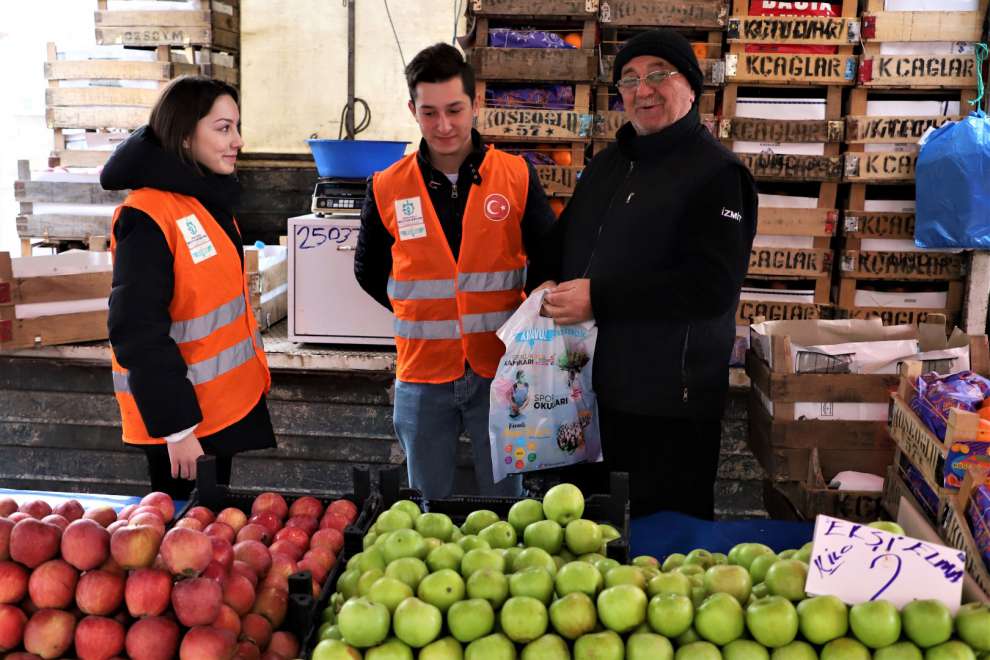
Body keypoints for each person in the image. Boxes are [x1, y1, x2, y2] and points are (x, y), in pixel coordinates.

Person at [543, 29, 758, 519]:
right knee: (586, 551)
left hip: (667, 410)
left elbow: (710, 286)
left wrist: (600, 298)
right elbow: (564, 244)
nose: (643, 89)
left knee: (662, 556)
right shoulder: (607, 166)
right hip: (589, 399)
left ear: (691, 87)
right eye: (630, 80)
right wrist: (545, 279)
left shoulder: (718, 175)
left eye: (659, 75)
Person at [355, 43, 558, 499]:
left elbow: (549, 260)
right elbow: (368, 270)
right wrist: (421, 310)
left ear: (475, 103)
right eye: (429, 113)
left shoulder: (516, 176)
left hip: (501, 370)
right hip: (421, 373)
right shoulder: (386, 185)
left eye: (454, 110)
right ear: (413, 109)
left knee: (508, 505)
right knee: (426, 507)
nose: (443, 126)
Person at [102, 76, 275, 499]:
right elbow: (136, 330)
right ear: (183, 137)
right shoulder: (146, 215)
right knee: (182, 542)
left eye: (236, 126)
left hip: (216, 412)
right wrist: (177, 429)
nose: (238, 140)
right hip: (183, 425)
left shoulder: (203, 199)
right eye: (223, 128)